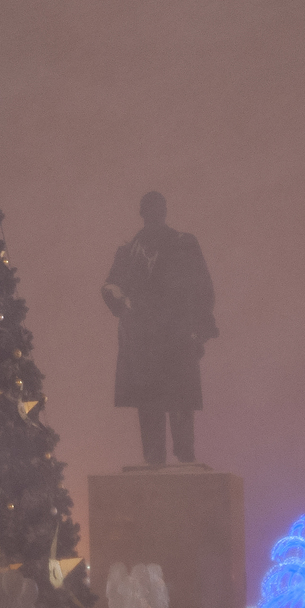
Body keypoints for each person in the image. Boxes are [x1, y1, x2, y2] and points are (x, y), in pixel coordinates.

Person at [102, 191, 217, 466]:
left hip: (177, 333)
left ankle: (185, 454)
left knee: (180, 400)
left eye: (160, 208)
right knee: (149, 401)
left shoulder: (184, 244)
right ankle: (154, 457)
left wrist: (199, 326)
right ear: (143, 212)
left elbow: (202, 286)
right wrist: (114, 297)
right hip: (144, 337)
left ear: (165, 211)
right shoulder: (129, 250)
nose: (156, 213)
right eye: (151, 208)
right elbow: (111, 283)